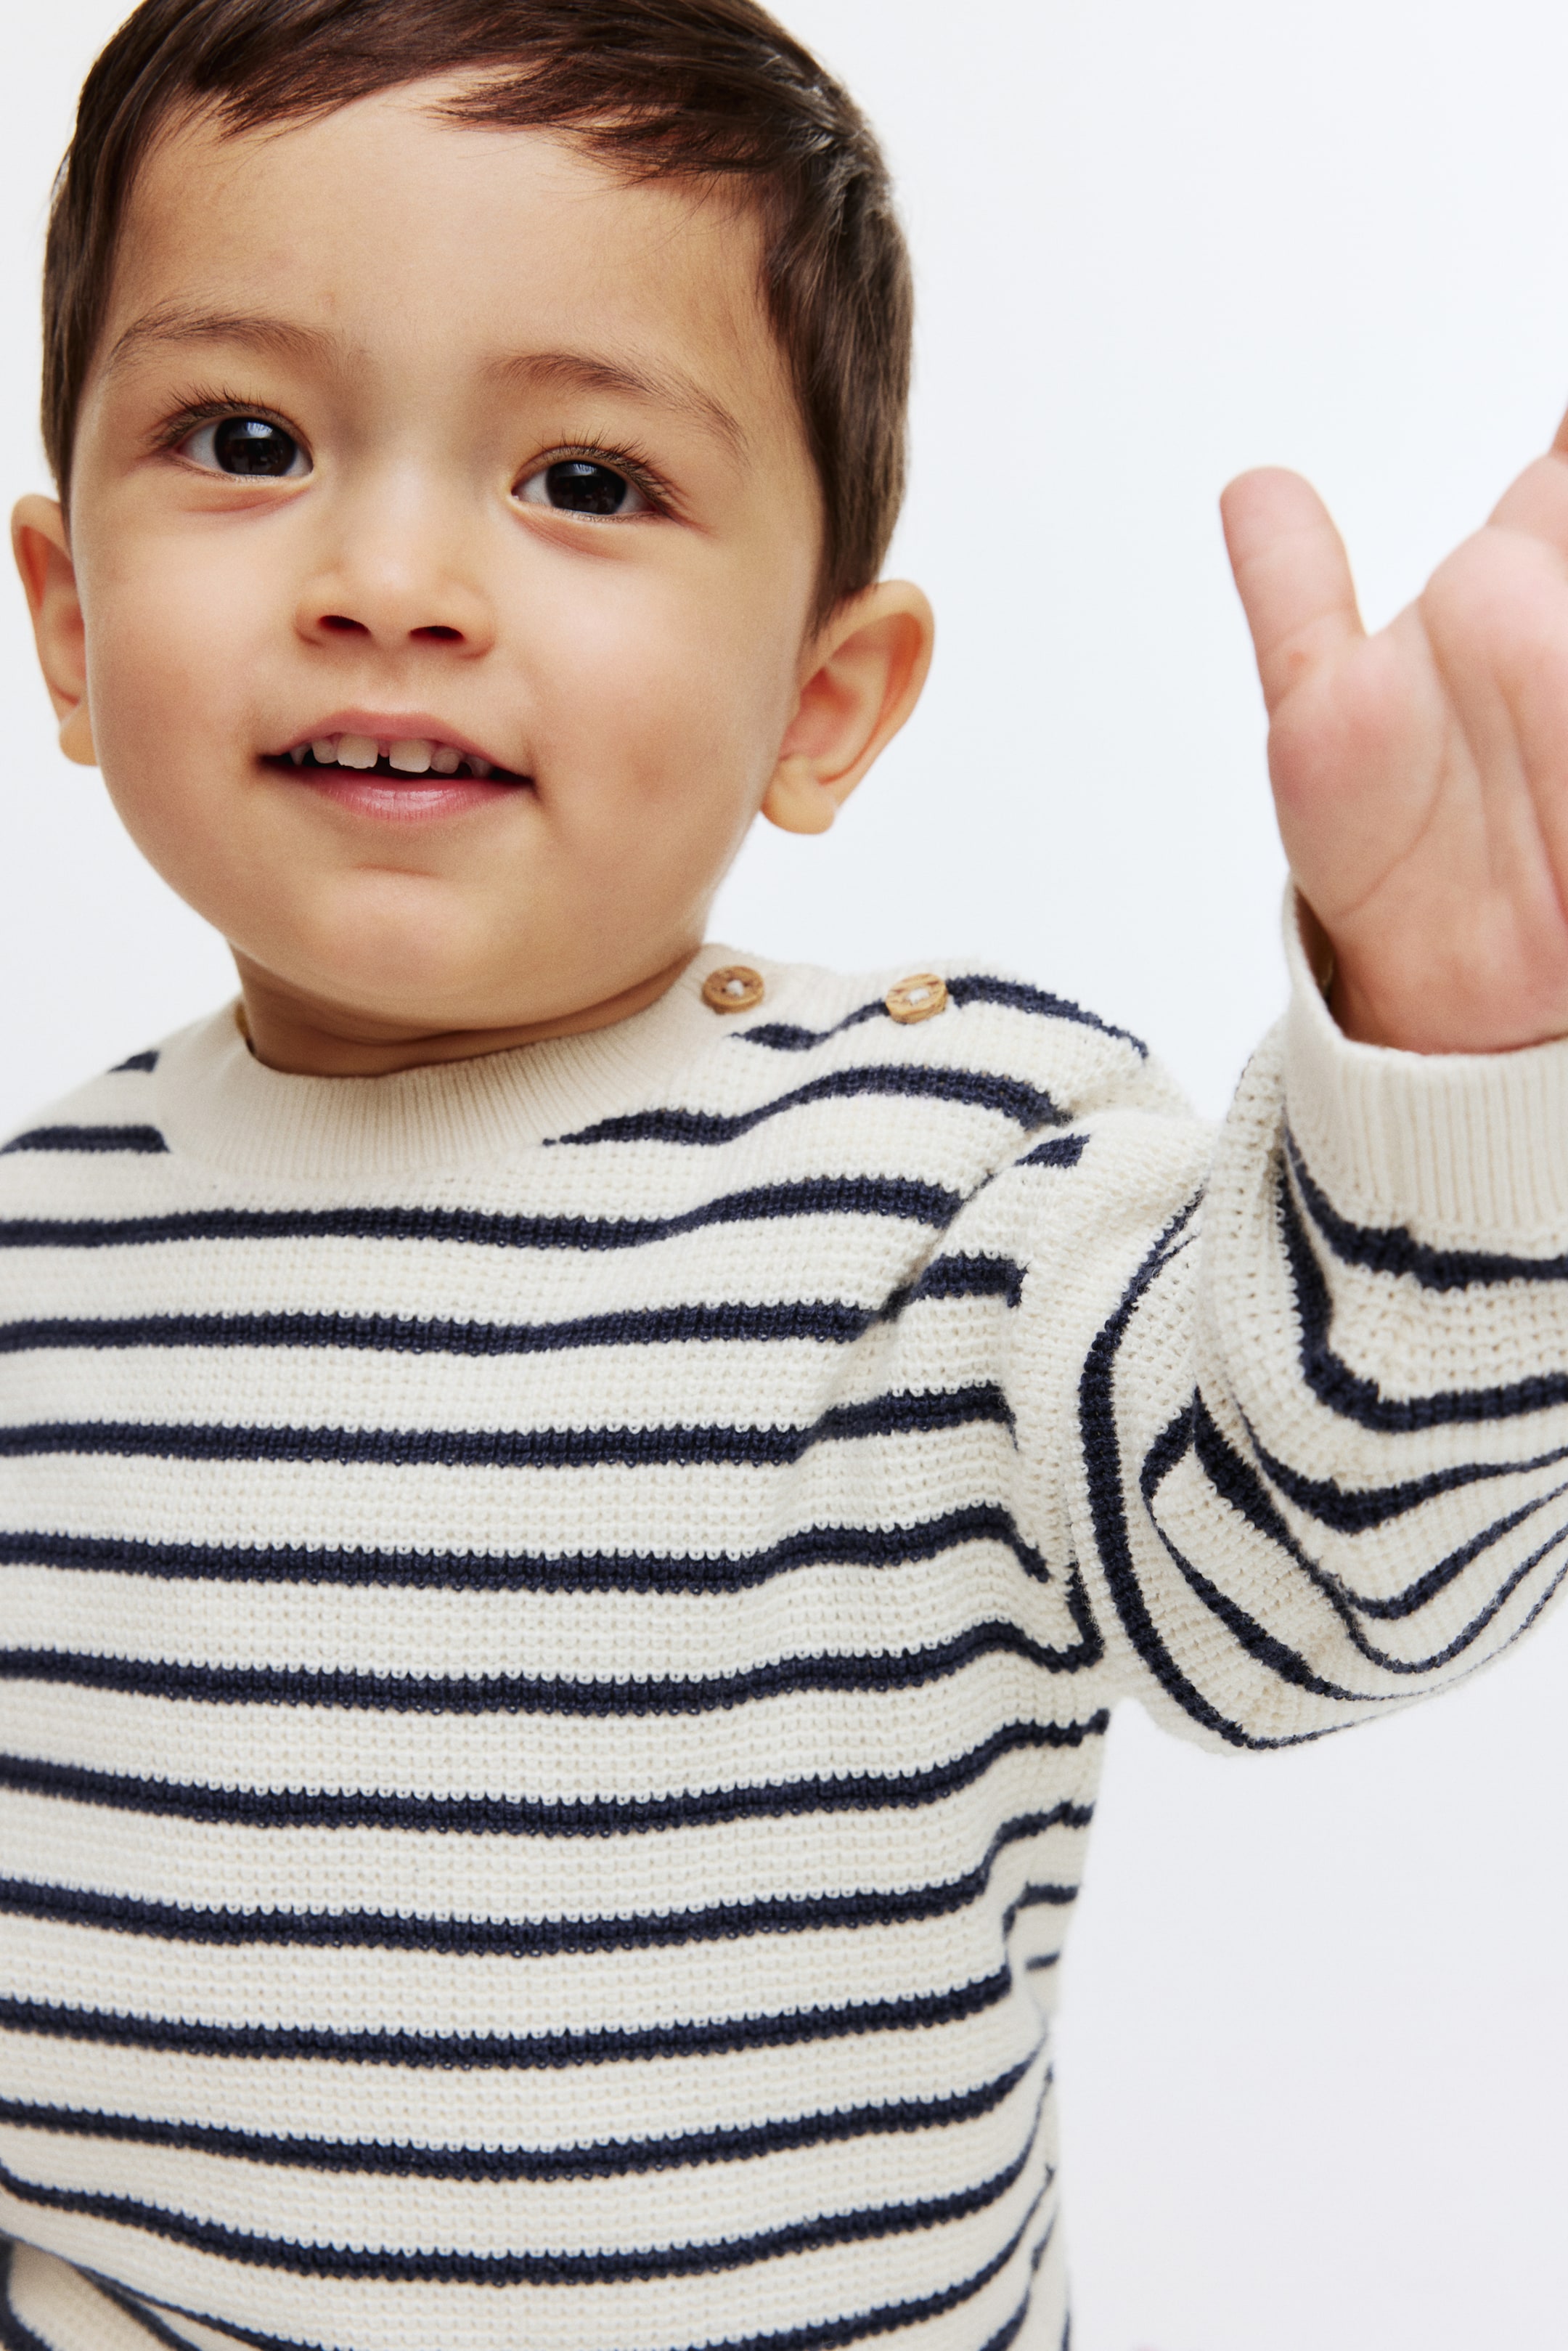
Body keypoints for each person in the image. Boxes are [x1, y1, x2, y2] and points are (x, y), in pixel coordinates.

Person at [3, 0, 1568, 2344]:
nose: (393, 576)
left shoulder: (962, 1181)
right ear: (69, 619)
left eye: (589, 481)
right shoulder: (32, 1264)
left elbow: (1332, 1590)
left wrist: (1453, 1045)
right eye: (248, 440)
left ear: (824, 702)